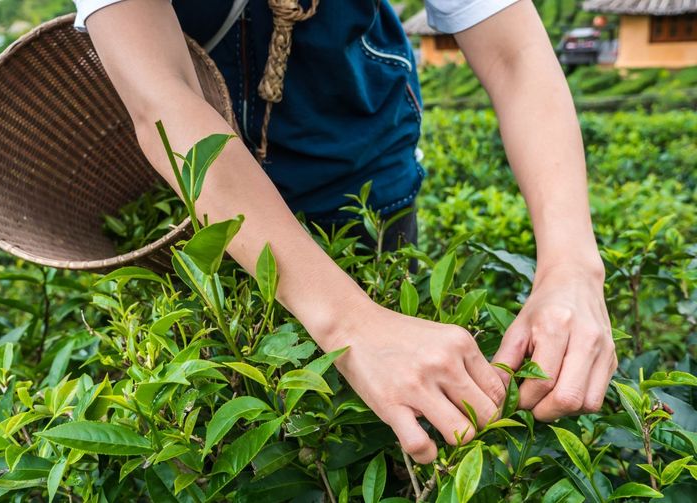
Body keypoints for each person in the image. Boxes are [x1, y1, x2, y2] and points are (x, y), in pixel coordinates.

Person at [72, 0, 617, 465]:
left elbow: (513, 53)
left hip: (358, 169)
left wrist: (572, 266)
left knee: (383, 423)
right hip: (186, 205)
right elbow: (161, 98)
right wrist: (351, 323)